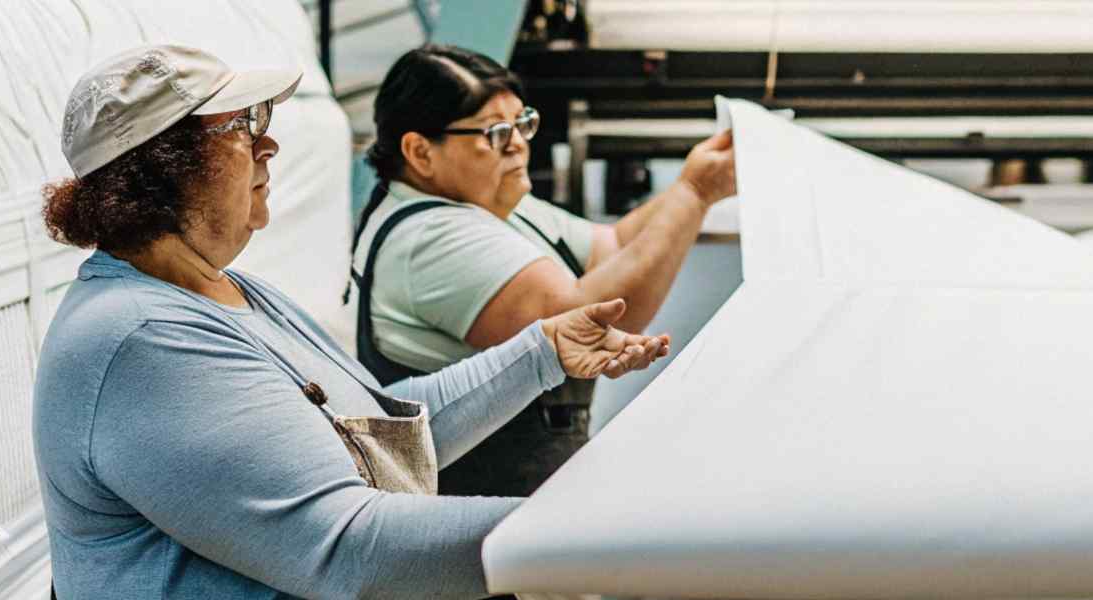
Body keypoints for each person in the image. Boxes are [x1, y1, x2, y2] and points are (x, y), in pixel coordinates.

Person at [33, 44, 668, 598]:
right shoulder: (142, 340)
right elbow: (347, 548)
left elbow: (383, 434)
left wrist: (542, 351)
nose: (269, 143)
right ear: (165, 168)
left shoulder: (227, 291)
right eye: (241, 125)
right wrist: (583, 528)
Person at [349, 44, 736, 496]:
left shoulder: (494, 205)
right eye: (495, 131)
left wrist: (700, 181)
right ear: (420, 151)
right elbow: (589, 319)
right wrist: (693, 193)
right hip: (474, 499)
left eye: (521, 124)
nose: (517, 143)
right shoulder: (429, 237)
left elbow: (612, 248)